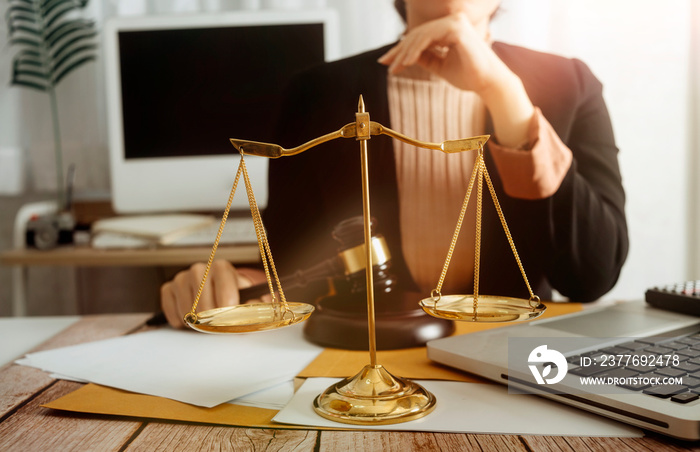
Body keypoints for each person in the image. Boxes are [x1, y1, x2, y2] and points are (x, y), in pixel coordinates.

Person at [161, 0, 628, 328]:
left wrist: (506, 98)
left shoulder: (570, 85)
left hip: (515, 362)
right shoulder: (316, 95)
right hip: (363, 362)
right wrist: (229, 283)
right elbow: (292, 266)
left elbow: (592, 275)